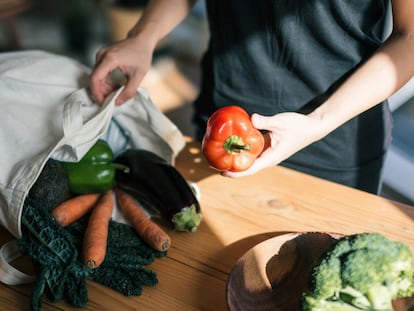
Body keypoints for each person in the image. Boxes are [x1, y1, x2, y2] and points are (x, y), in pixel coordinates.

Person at [89, 0, 414, 194]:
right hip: (220, 132)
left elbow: (410, 36)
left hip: (335, 144)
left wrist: (318, 122)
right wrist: (143, 38)